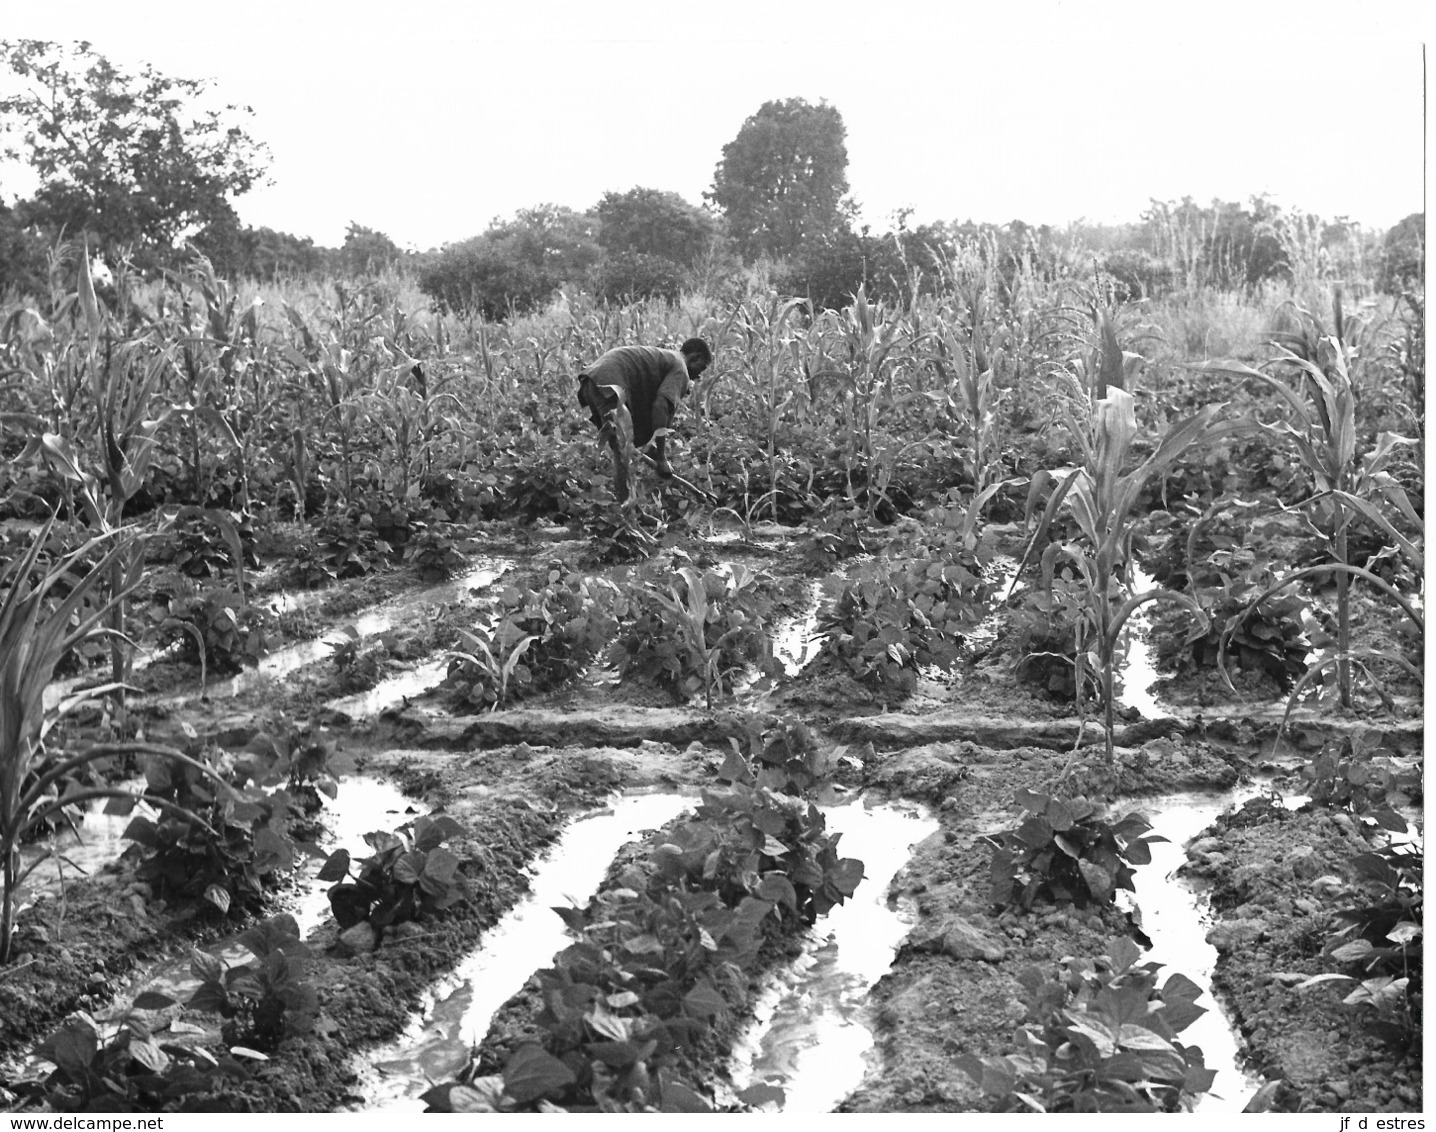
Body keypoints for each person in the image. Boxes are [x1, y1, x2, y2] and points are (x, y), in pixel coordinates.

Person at [576, 338, 712, 502]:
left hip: (593, 379)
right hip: (610, 382)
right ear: (694, 357)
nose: (698, 376)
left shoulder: (668, 358)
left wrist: (654, 447)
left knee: (621, 447)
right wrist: (661, 457)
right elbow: (661, 406)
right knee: (622, 450)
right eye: (701, 368)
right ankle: (627, 511)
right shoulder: (681, 368)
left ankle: (627, 506)